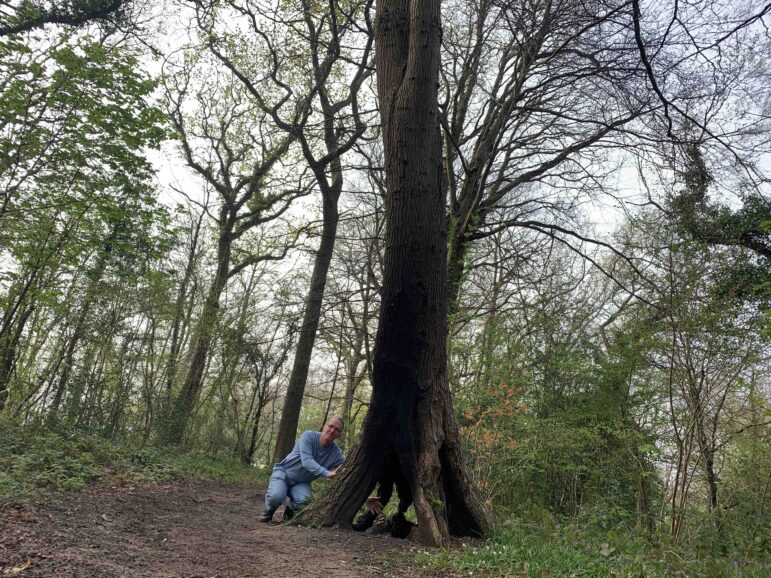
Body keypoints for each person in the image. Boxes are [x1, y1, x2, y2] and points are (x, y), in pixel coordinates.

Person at [259, 416, 345, 523]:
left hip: (302, 483)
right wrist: (327, 473)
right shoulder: (309, 436)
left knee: (306, 503)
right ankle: (269, 510)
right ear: (323, 426)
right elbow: (307, 461)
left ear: (339, 435)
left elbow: (348, 468)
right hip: (283, 473)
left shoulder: (336, 453)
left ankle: (289, 508)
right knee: (276, 497)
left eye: (337, 429)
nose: (332, 430)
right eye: (331, 426)